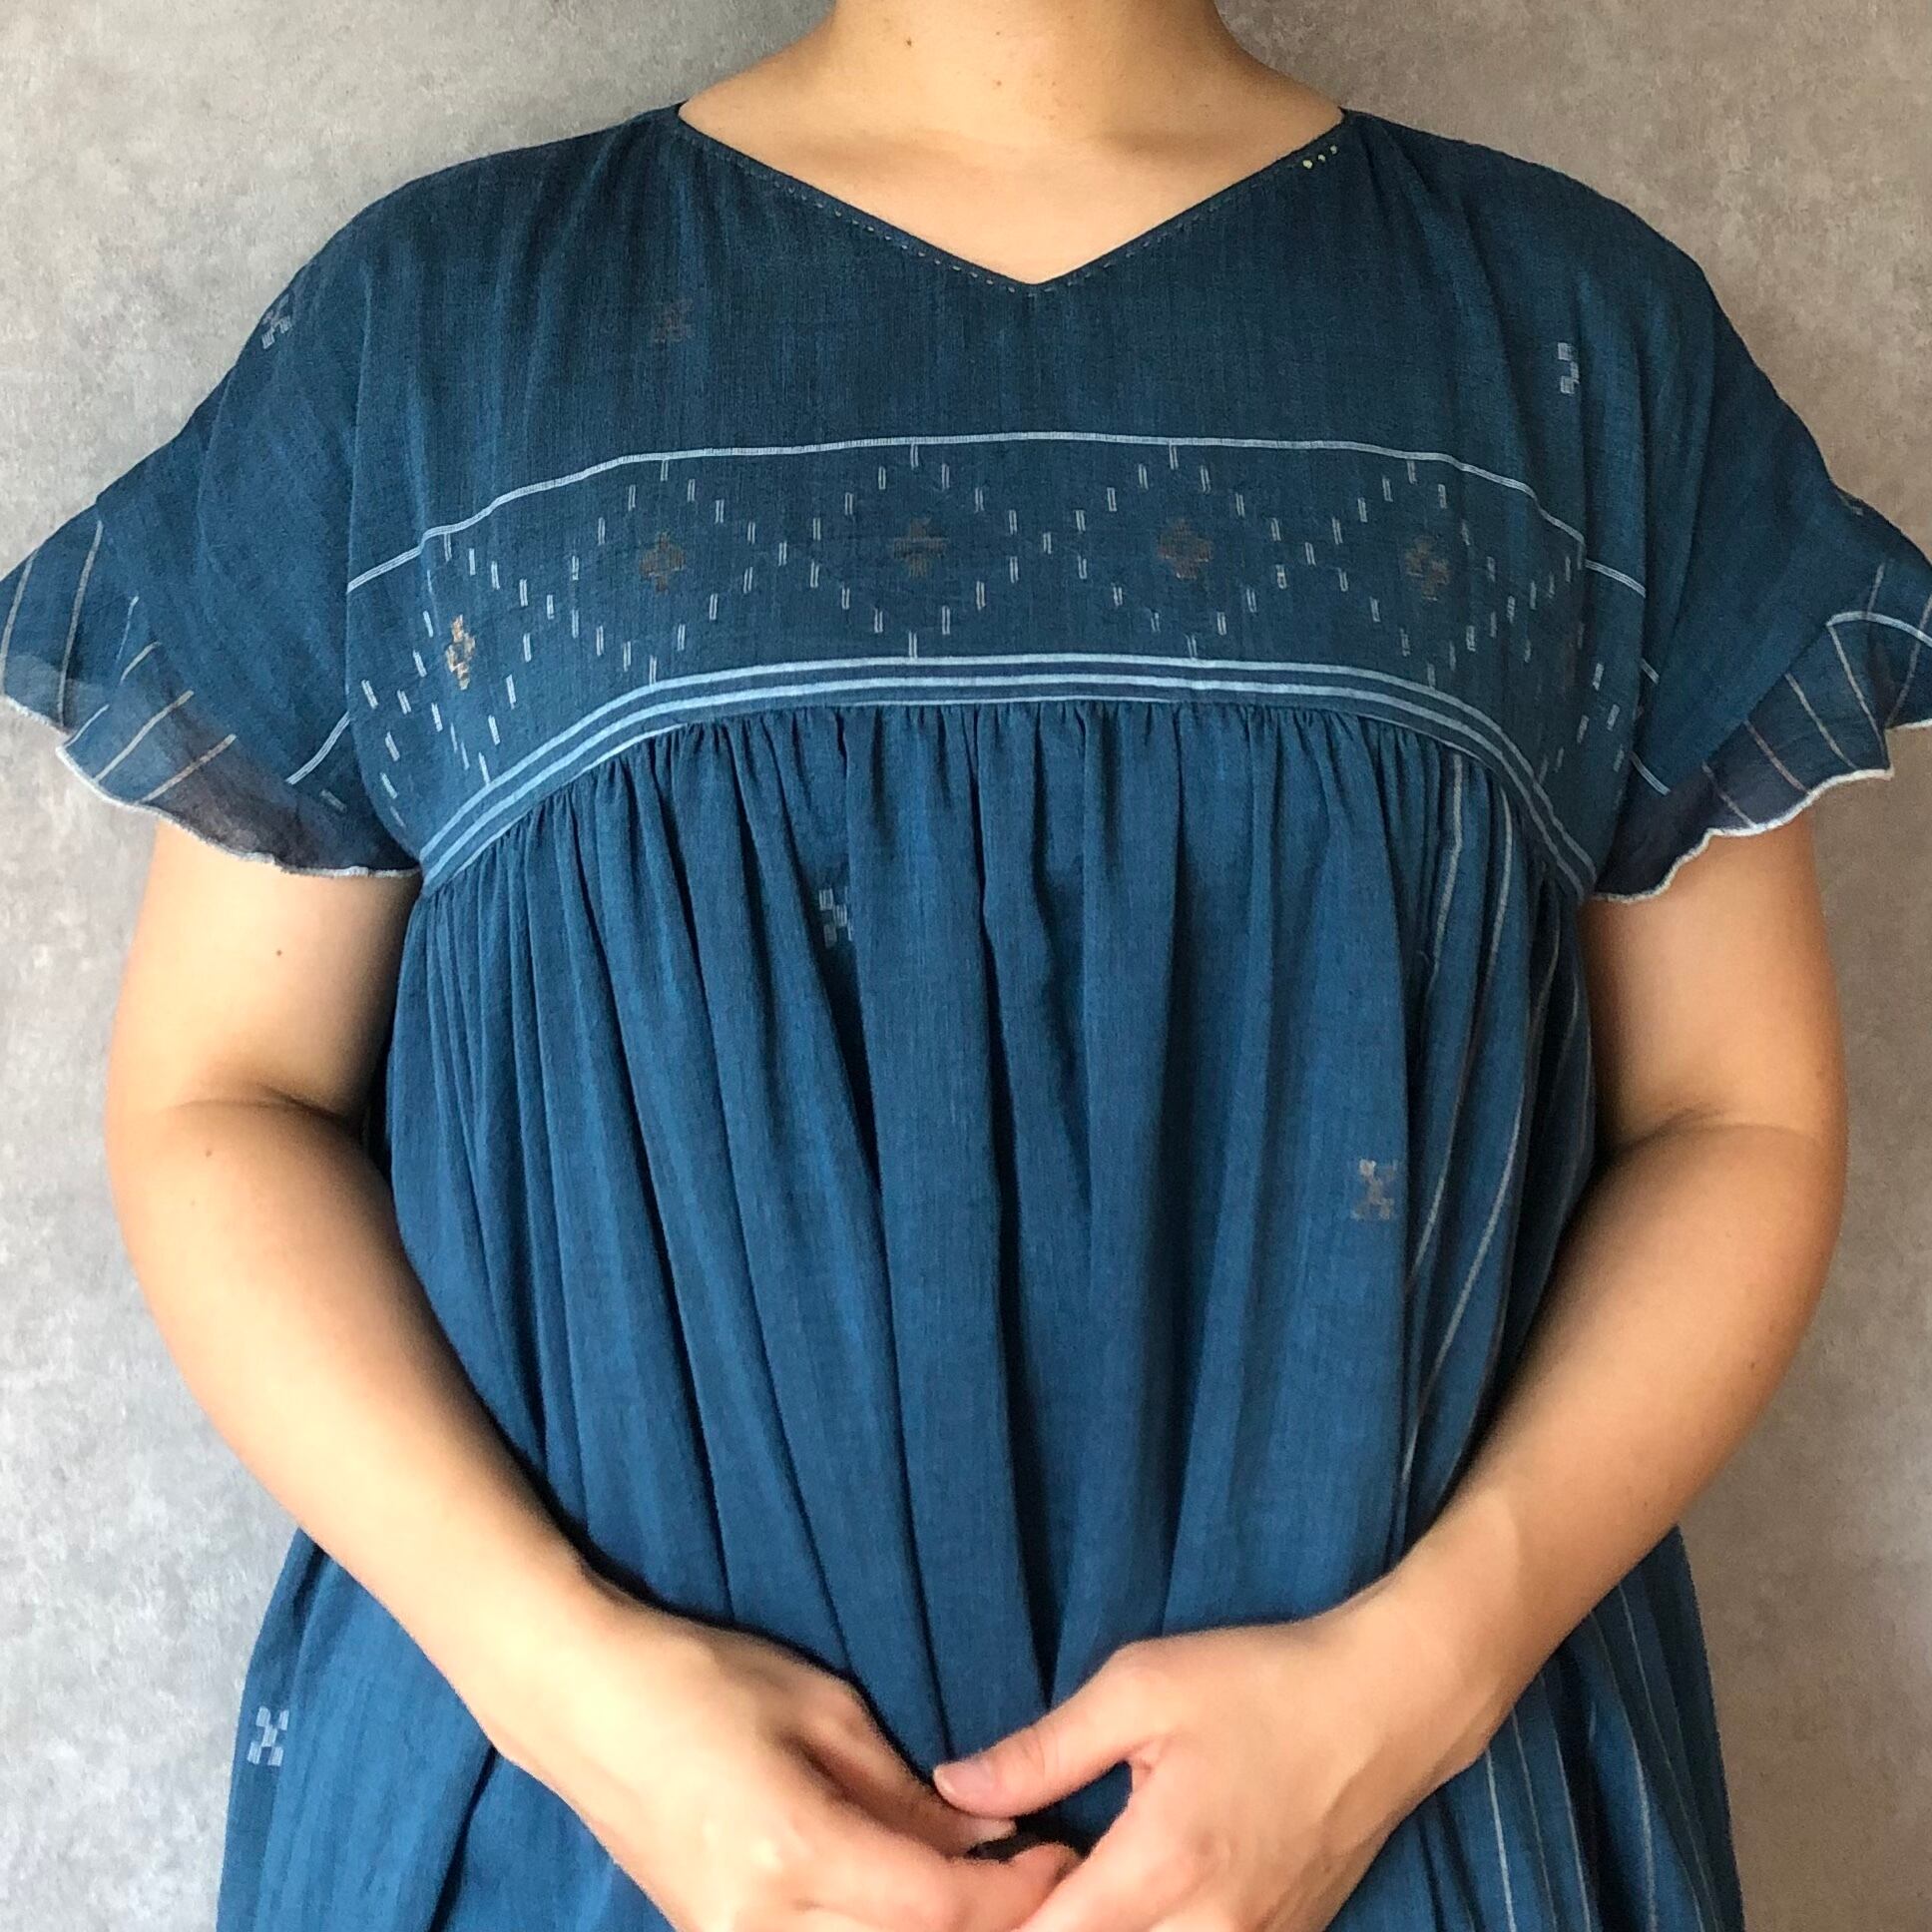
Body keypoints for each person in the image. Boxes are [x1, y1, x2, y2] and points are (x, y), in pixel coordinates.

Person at [3, 3, 1927, 1928]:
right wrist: (577, 1698)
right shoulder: (435, 334)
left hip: (1415, 1826)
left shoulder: (1568, 336)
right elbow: (224, 1098)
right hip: (573, 1844)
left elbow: (1735, 1115)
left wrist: (1409, 1689)